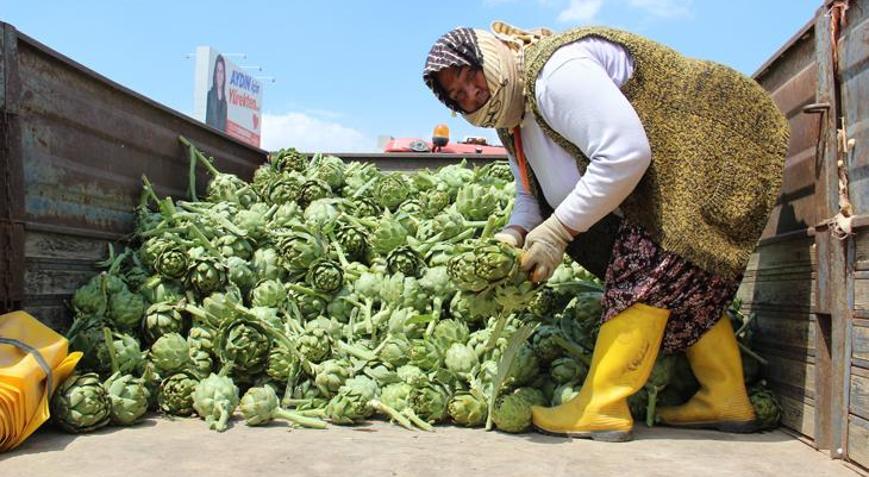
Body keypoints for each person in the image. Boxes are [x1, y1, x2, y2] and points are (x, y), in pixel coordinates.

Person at [422, 22, 789, 442]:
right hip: (658, 183)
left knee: (645, 273)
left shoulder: (556, 74)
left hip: (715, 150)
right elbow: (530, 195)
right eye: (458, 95)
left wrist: (558, 231)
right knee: (686, 289)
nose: (472, 95)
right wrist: (510, 240)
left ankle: (602, 406)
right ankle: (725, 395)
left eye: (472, 78)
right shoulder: (512, 124)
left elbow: (625, 154)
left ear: (490, 55)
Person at [206, 54, 228, 131]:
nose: (219, 75)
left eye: (221, 72)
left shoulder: (224, 102)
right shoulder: (209, 96)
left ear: (224, 75)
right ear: (214, 73)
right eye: (217, 71)